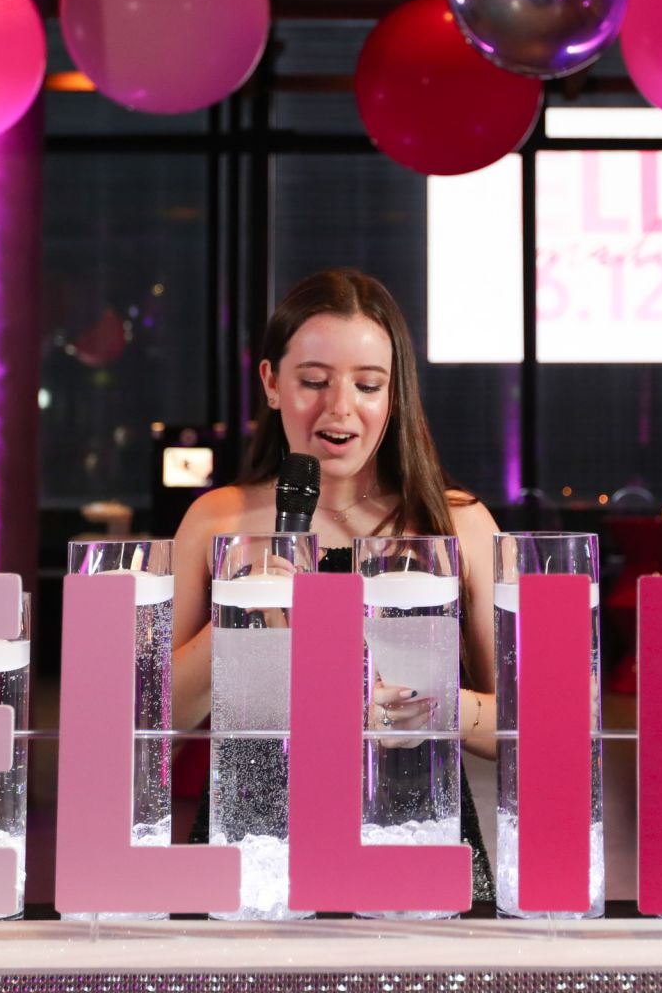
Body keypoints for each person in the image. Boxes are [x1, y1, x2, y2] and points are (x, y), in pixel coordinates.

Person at [171, 268, 501, 893]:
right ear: (270, 383)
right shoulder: (219, 520)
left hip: (416, 849)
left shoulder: (458, 524)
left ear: (395, 393)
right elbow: (158, 720)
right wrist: (235, 622)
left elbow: (536, 727)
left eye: (368, 384)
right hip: (253, 851)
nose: (339, 407)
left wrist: (441, 711)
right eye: (314, 382)